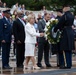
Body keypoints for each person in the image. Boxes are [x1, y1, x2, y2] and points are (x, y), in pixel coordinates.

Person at [54, 5, 75, 69]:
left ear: (65, 8)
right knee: (69, 49)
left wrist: (55, 29)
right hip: (71, 32)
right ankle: (69, 64)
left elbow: (60, 24)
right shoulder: (72, 15)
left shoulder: (65, 16)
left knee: (65, 49)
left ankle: (66, 64)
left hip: (65, 32)